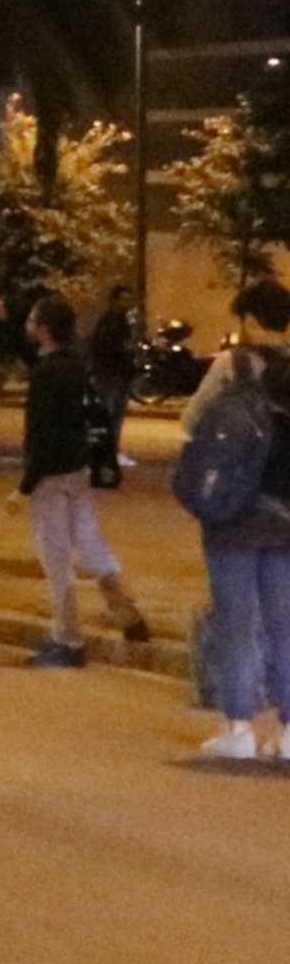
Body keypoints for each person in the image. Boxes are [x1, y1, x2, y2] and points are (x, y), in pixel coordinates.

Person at [185, 279, 290, 760]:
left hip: (235, 513)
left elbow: (193, 421)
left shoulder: (234, 365)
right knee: (283, 623)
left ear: (248, 320)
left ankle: (240, 727)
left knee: (238, 622)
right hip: (285, 516)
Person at [14, 296, 149, 667]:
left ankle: (67, 639)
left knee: (56, 559)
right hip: (78, 471)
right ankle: (124, 609)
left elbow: (42, 435)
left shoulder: (46, 375)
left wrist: (24, 486)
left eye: (31, 318)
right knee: (89, 541)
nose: (28, 325)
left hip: (52, 477)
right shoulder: (77, 366)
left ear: (42, 328)